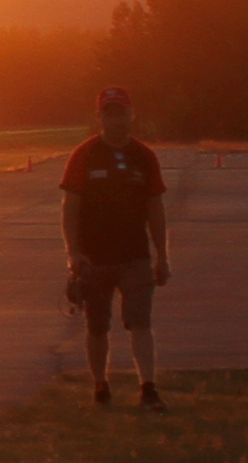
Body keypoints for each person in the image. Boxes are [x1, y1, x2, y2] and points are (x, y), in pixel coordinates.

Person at [57, 84, 174, 405]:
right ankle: (100, 386)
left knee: (140, 321)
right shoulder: (84, 154)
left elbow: (155, 209)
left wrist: (162, 256)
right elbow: (70, 207)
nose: (116, 119)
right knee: (97, 326)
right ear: (100, 117)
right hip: (94, 258)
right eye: (109, 113)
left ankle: (148, 387)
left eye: (121, 112)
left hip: (135, 256)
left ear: (131, 114)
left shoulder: (144, 156)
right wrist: (73, 252)